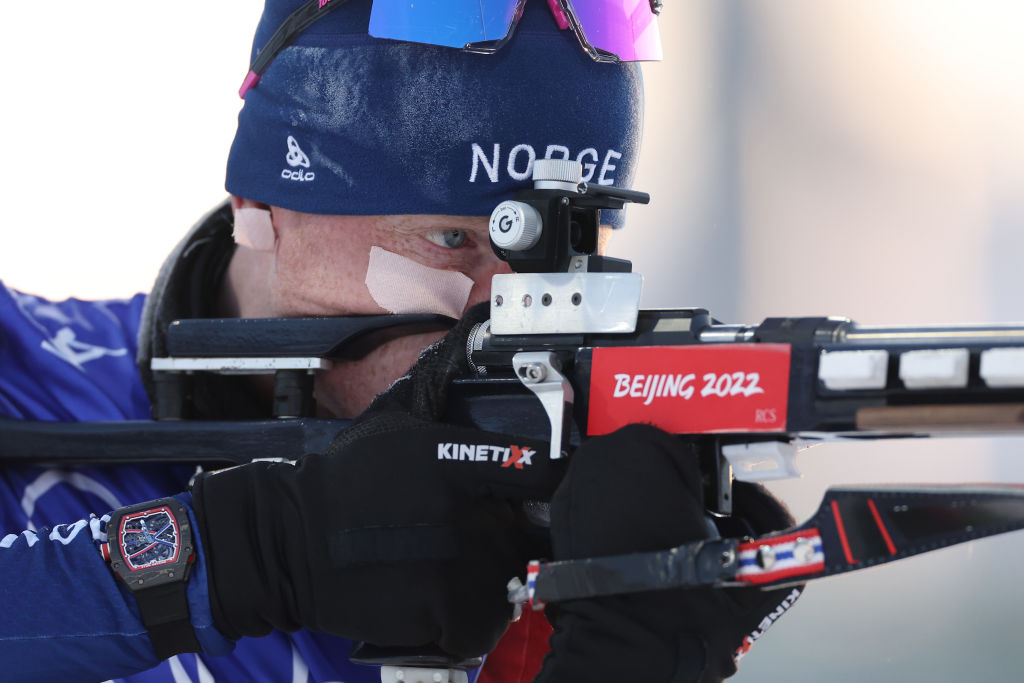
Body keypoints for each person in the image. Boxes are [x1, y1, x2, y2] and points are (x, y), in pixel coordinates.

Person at [0, 1, 798, 681]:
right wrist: (245, 552)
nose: (512, 313)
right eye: (451, 238)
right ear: (260, 201)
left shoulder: (542, 533)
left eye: (561, 252)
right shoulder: (19, 365)